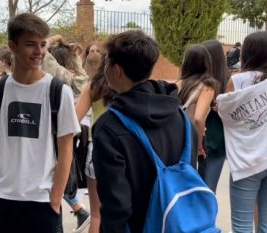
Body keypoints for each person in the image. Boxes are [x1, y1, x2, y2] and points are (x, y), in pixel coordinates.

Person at [0, 13, 81, 233]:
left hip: (43, 203)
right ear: (12, 46)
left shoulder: (58, 92)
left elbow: (66, 149)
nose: (39, 52)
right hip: (1, 201)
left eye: (43, 45)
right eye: (30, 45)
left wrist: (55, 198)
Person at [92, 30, 197, 233]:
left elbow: (116, 206)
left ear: (117, 70)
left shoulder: (110, 127)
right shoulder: (182, 119)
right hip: (180, 226)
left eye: (106, 63)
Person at [217, 31, 267, 233]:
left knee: (242, 224)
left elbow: (226, 114)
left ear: (247, 53)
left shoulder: (238, 80)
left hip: (246, 162)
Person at [49, 41, 91, 233]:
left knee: (57, 177)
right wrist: (73, 53)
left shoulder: (62, 79)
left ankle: (77, 210)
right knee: (65, 175)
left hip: (61, 132)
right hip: (77, 133)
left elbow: (48, 62)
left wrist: (50, 42)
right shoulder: (81, 77)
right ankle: (79, 209)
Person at [75, 55, 115, 233]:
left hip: (96, 148)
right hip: (125, 151)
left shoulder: (93, 86)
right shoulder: (130, 86)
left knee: (97, 214)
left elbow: (74, 121)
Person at [176, 44, 219, 177]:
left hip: (176, 136)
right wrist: (198, 145)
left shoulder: (179, 83)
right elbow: (198, 118)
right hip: (192, 137)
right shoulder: (207, 86)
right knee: (195, 177)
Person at [201, 39, 230, 193]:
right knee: (209, 189)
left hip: (204, 140)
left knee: (200, 190)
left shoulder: (205, 83)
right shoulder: (229, 80)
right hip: (220, 142)